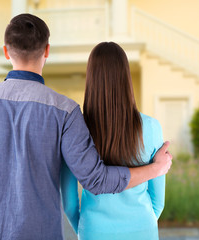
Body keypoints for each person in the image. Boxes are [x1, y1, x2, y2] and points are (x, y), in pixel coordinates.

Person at [0, 14, 172, 240]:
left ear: (6, 51)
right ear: (47, 50)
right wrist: (155, 170)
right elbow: (96, 179)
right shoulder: (64, 111)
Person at [61, 42, 167, 240]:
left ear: (91, 78)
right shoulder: (152, 127)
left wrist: (86, 230)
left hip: (94, 231)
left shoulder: (75, 129)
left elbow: (69, 205)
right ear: (126, 77)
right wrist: (141, 225)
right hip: (143, 229)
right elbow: (158, 202)